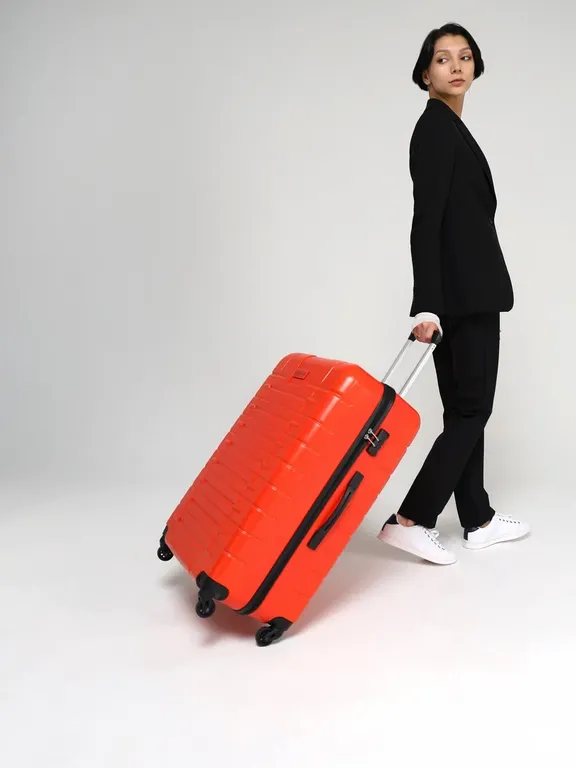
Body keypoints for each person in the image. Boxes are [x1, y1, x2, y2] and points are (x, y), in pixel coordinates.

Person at [378, 22, 530, 564]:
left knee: (464, 409)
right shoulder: (437, 130)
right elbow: (426, 222)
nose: (456, 66)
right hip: (464, 296)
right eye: (443, 59)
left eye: (465, 56)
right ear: (425, 73)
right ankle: (411, 518)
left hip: (464, 293)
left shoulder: (446, 127)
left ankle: (477, 519)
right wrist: (427, 304)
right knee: (472, 410)